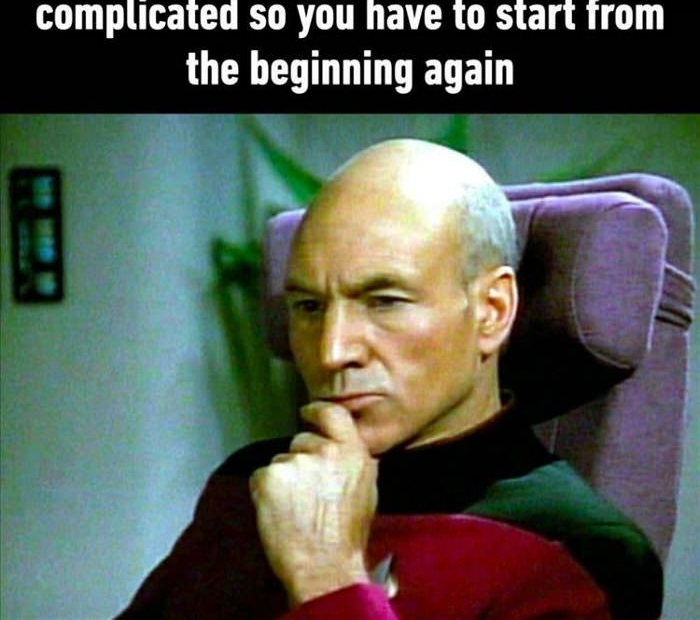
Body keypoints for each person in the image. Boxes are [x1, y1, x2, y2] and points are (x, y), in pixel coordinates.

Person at [117, 139, 662, 619]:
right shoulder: (254, 484)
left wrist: (328, 578)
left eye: (384, 301)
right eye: (308, 306)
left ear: (492, 310)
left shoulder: (579, 550)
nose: (332, 352)